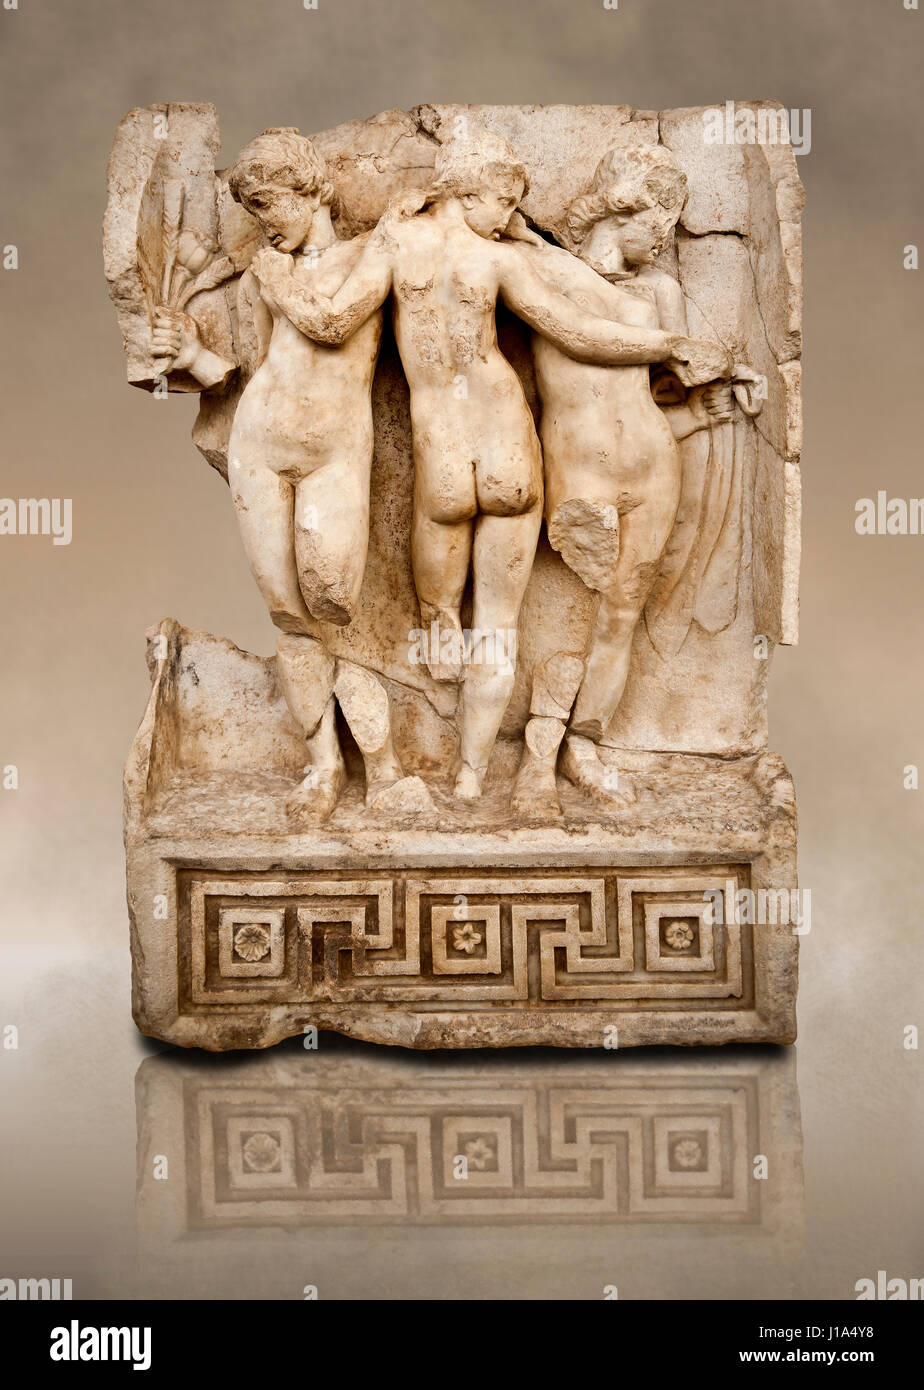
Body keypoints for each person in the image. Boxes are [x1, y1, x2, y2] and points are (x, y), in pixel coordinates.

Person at [250, 126, 726, 801]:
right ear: (473, 190)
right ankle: (472, 782)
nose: (509, 220)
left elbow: (331, 320)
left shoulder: (396, 247)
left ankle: (446, 747)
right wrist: (666, 343)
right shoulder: (498, 261)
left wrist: (278, 287)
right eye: (506, 201)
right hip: (507, 444)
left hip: (442, 456)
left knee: (442, 622)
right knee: (497, 630)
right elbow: (574, 330)